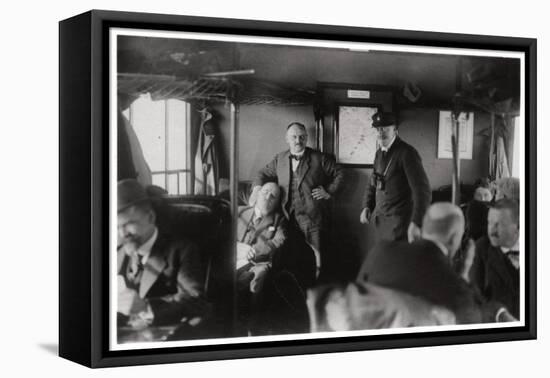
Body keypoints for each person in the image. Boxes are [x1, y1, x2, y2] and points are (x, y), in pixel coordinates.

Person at [357, 202, 484, 324]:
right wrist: (464, 276)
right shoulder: (456, 288)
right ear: (454, 238)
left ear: (424, 229)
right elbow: (474, 323)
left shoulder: (380, 251)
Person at [251, 122, 344, 279]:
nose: (298, 140)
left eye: (302, 137)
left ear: (306, 138)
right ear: (287, 139)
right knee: (288, 254)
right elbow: (261, 173)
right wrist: (256, 189)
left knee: (317, 255)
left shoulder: (319, 158)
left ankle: (317, 288)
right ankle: (293, 290)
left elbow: (340, 173)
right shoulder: (279, 159)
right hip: (287, 217)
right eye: (293, 137)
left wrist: (328, 191)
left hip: (312, 216)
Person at [117, 179, 207, 330]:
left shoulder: (181, 250)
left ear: (151, 217)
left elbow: (195, 299)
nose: (122, 234)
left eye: (128, 224)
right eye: (116, 227)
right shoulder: (117, 254)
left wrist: (145, 307)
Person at [359, 111, 431, 242]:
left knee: (397, 260)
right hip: (382, 221)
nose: (381, 133)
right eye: (378, 129)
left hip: (401, 223)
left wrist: (417, 222)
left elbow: (422, 191)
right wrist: (367, 206)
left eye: (385, 128)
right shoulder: (379, 154)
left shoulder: (407, 153)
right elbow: (372, 182)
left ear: (395, 130)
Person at [469, 198, 520, 319]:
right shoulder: (481, 249)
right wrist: (499, 315)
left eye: (498, 224)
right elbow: (474, 298)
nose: (491, 230)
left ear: (518, 224)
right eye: (489, 223)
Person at [237, 182, 287, 295]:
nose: (268, 197)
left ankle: (253, 311)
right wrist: (236, 247)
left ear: (277, 203)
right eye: (265, 192)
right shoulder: (239, 211)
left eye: (273, 196)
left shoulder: (279, 219)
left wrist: (254, 251)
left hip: (258, 263)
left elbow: (279, 240)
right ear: (258, 193)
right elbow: (225, 233)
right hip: (234, 257)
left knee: (258, 277)